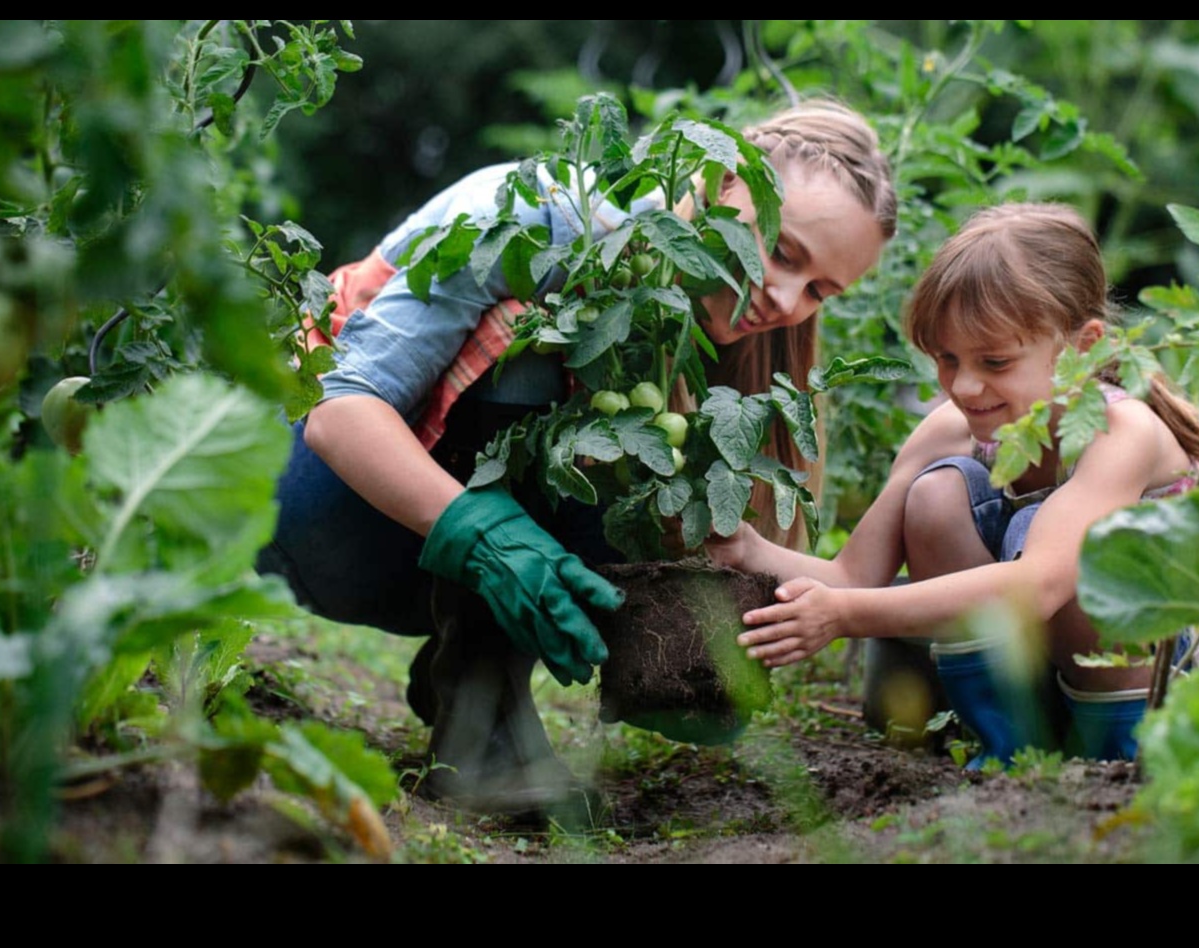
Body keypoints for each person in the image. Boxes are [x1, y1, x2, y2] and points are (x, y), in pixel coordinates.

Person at [256, 100, 897, 815]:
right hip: (303, 505)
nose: (784, 297)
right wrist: (483, 534)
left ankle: (467, 686)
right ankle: (485, 734)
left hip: (419, 556)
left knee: (633, 436)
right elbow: (339, 414)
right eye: (780, 252)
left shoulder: (717, 329)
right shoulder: (544, 220)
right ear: (721, 182)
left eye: (820, 291)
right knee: (540, 334)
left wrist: (687, 633)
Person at [708, 202, 1199, 767]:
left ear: (1082, 347)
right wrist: (746, 549)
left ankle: (1119, 755)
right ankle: (1010, 747)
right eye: (946, 358)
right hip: (1050, 677)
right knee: (936, 496)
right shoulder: (953, 427)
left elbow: (1038, 585)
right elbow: (853, 575)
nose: (964, 385)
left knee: (1077, 549)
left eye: (995, 361)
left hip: (1168, 688)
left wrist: (843, 615)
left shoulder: (1120, 430)